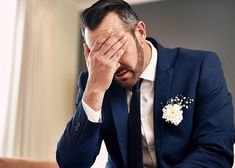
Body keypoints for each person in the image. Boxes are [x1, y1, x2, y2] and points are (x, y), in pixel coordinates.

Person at [56, 0, 235, 167]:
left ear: (140, 32)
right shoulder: (92, 83)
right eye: (100, 56)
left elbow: (216, 151)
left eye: (116, 49)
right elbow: (71, 163)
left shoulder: (199, 68)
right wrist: (94, 90)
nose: (113, 65)